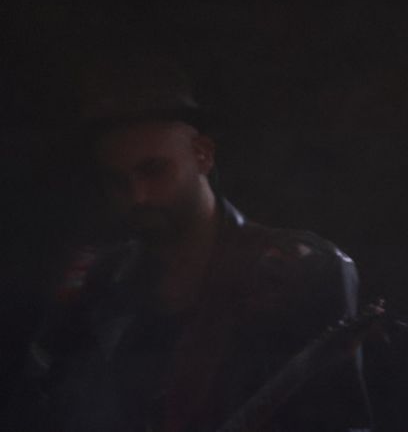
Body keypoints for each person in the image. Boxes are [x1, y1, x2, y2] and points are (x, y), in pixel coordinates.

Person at [14, 77, 372, 431]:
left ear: (203, 154)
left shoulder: (298, 268)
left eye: (154, 170)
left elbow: (341, 420)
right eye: (117, 181)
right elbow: (47, 403)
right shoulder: (97, 279)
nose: (138, 196)